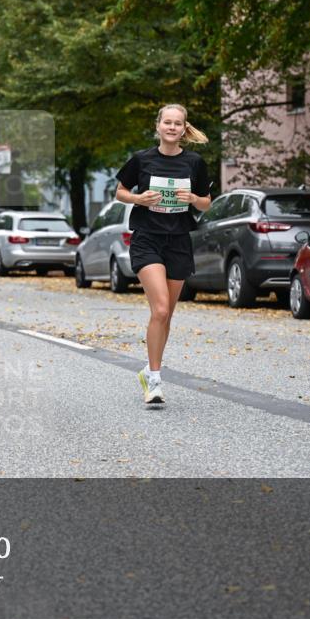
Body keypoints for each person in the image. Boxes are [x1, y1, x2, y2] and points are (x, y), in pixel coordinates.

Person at [114, 103, 211, 404]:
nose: (171, 127)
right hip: (148, 240)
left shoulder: (195, 162)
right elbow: (119, 192)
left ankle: (149, 371)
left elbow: (207, 203)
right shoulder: (141, 160)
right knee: (159, 309)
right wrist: (138, 198)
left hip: (179, 241)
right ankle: (154, 379)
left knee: (167, 313)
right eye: (166, 122)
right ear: (157, 126)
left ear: (184, 128)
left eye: (177, 123)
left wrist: (194, 198)